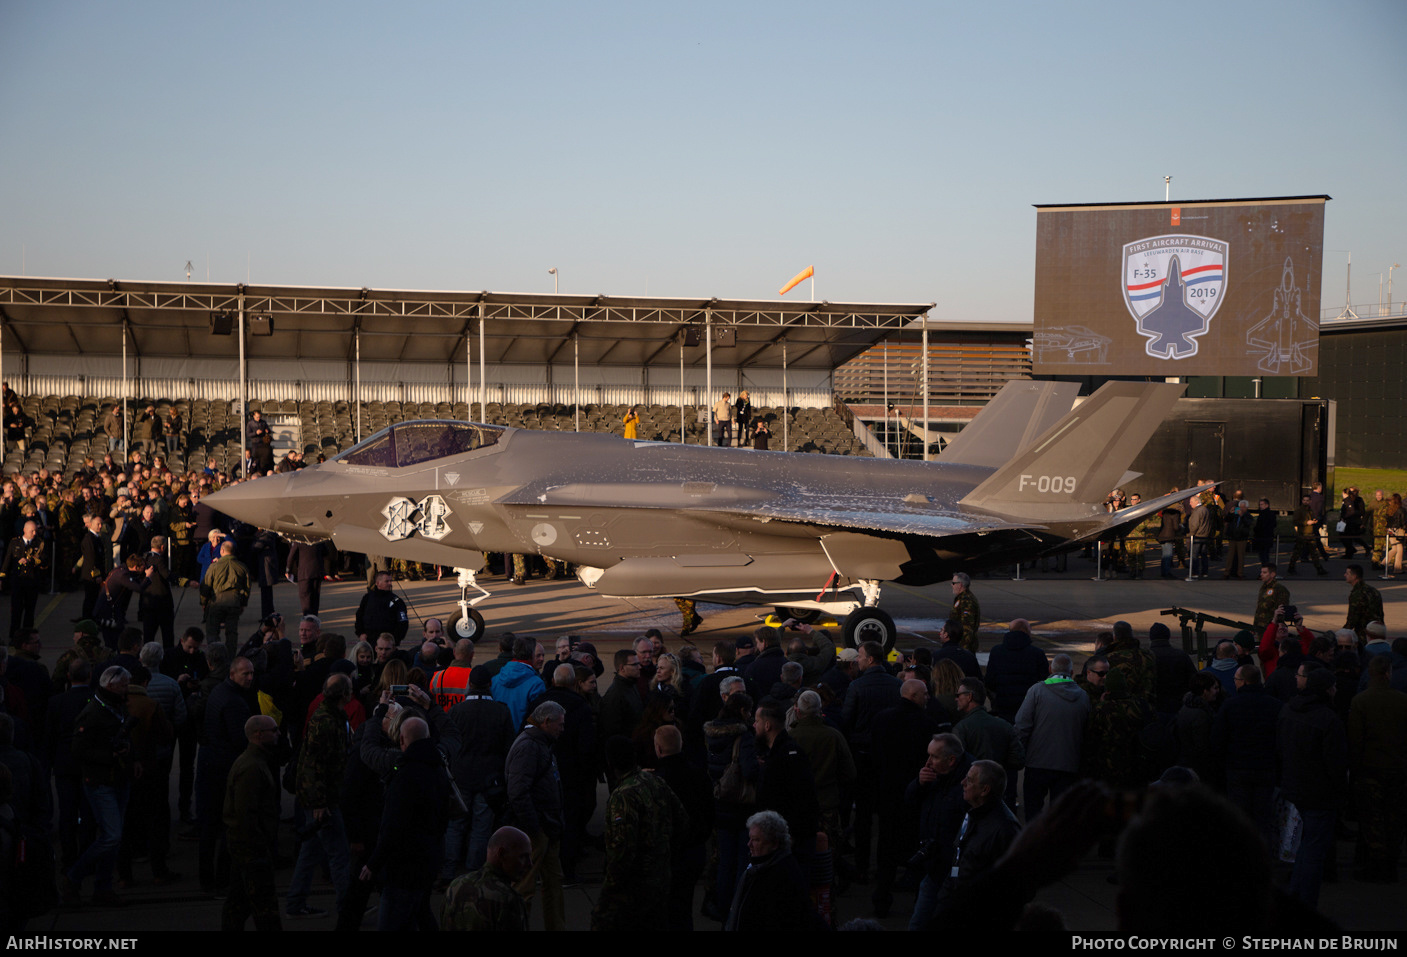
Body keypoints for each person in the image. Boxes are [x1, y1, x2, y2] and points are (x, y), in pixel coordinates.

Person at [590, 735, 689, 931]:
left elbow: (622, 850)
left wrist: (610, 889)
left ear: (610, 762)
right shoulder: (655, 782)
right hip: (660, 880)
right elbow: (683, 821)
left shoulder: (623, 795)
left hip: (632, 889)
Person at [360, 716, 450, 930]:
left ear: (402, 740)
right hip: (428, 858)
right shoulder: (438, 769)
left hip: (403, 866)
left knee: (393, 919)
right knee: (420, 911)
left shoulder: (404, 775)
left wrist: (374, 863)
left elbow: (392, 826)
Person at [61, 666, 132, 907]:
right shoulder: (93, 713)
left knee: (113, 836)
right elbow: (78, 750)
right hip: (100, 781)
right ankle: (73, 877)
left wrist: (126, 751)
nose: (127, 689)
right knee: (112, 836)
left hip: (117, 778)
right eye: (124, 685)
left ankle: (102, 887)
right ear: (111, 686)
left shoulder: (114, 706)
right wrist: (110, 755)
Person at [286, 673, 354, 919]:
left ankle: (295, 903)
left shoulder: (333, 715)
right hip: (322, 799)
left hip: (319, 796)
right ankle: (348, 908)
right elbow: (313, 764)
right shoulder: (327, 720)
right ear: (345, 695)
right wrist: (319, 803)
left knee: (311, 851)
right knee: (339, 853)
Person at [505, 700, 566, 931]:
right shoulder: (529, 746)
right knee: (525, 887)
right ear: (546, 722)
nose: (563, 729)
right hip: (538, 830)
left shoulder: (541, 742)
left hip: (547, 827)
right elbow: (518, 792)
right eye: (559, 724)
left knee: (553, 882)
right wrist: (534, 828)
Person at [222, 715, 283, 931]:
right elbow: (246, 814)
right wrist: (260, 847)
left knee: (238, 903)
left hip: (247, 847)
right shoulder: (251, 767)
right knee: (265, 908)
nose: (278, 734)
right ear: (259, 734)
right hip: (251, 849)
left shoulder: (255, 761)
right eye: (274, 730)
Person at [724, 809, 817, 932]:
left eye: (756, 840)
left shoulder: (780, 876)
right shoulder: (758, 868)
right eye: (750, 838)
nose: (749, 844)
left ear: (774, 844)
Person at [442, 826, 533, 931]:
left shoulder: (455, 886)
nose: (529, 864)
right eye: (523, 857)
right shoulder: (508, 898)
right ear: (502, 854)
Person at [202, 541, 250, 654]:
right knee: (232, 633)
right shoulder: (241, 567)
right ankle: (231, 656)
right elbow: (247, 588)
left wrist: (204, 602)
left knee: (212, 631)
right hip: (234, 602)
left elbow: (205, 586)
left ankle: (215, 655)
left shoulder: (214, 566)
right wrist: (243, 603)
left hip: (216, 602)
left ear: (221, 551)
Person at [355, 570, 409, 645]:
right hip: (369, 640)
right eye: (387, 581)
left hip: (388, 643)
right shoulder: (367, 598)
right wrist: (361, 633)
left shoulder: (397, 601)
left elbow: (403, 622)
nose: (390, 584)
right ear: (377, 583)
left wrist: (395, 639)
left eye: (391, 581)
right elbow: (359, 616)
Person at [1344, 563, 1385, 641]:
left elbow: (1353, 618)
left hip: (1364, 634)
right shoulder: (1373, 590)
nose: (1345, 575)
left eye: (1347, 573)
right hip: (1378, 630)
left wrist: (1343, 632)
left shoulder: (1357, 594)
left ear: (1354, 576)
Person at [1252, 563, 1291, 634]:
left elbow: (1281, 611)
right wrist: (1255, 626)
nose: (1261, 574)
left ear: (1272, 574)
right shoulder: (1264, 587)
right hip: (1260, 628)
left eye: (1264, 572)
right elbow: (1259, 609)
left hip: (1271, 628)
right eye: (1261, 572)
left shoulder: (1279, 589)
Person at [949, 573, 981, 653]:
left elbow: (967, 628)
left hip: (963, 647)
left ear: (959, 585)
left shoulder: (967, 600)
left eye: (953, 583)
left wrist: (962, 650)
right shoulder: (962, 598)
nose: (951, 585)